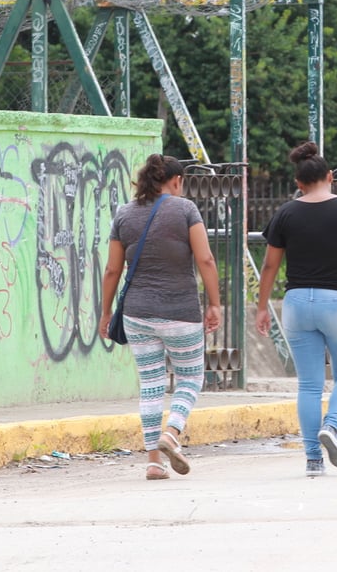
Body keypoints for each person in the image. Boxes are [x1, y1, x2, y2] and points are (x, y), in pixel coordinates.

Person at [255, 141, 337, 477]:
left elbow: (269, 266)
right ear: (330, 177)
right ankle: (332, 426)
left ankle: (313, 459)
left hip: (297, 303)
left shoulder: (285, 213)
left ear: (298, 183)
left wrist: (261, 307)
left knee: (309, 385)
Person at [100, 154, 222, 481]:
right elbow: (206, 259)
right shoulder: (185, 210)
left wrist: (105, 312)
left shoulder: (124, 214)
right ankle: (172, 433)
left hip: (137, 314)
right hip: (180, 311)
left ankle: (154, 463)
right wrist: (215, 303)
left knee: (151, 385)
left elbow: (113, 269)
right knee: (190, 378)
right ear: (176, 181)